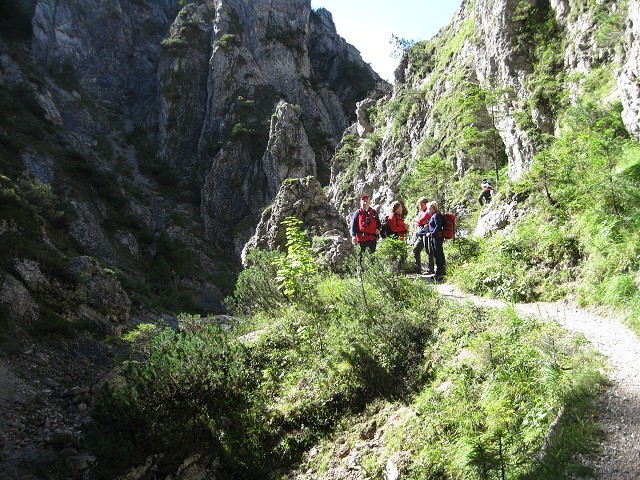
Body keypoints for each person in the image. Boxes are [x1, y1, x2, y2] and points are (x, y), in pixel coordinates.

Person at [350, 194, 380, 261]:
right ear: (360, 203)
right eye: (363, 201)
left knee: (372, 257)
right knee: (360, 257)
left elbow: (378, 223)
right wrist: (353, 236)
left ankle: (373, 270)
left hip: (372, 238)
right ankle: (360, 270)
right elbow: (354, 225)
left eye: (366, 201)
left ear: (369, 202)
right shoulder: (357, 213)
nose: (365, 203)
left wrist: (378, 229)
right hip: (361, 239)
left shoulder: (374, 212)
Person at [425, 201, 446, 282]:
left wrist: (431, 234)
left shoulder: (436, 215)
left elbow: (438, 226)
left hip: (437, 238)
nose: (428, 210)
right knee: (437, 255)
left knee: (439, 254)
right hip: (435, 237)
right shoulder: (435, 215)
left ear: (433, 208)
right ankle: (438, 273)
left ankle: (441, 273)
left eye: (429, 208)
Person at [412, 197, 434, 274]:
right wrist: (419, 221)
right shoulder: (421, 212)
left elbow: (419, 220)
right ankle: (417, 269)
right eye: (419, 205)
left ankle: (430, 269)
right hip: (421, 234)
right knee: (416, 250)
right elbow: (419, 222)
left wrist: (418, 221)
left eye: (421, 205)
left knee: (429, 251)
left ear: (426, 204)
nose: (420, 206)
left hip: (426, 234)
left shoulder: (428, 212)